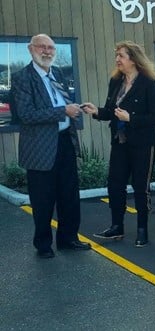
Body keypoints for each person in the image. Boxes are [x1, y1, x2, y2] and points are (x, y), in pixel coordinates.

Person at [10, 34, 91, 258]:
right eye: (42, 47)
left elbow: (61, 102)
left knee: (69, 195)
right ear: (31, 49)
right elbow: (26, 114)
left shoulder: (57, 74)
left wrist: (74, 107)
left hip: (64, 141)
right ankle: (43, 245)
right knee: (43, 199)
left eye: (51, 48)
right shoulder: (22, 78)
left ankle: (68, 239)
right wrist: (63, 111)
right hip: (39, 148)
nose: (47, 51)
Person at [82, 41, 155, 247]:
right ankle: (116, 227)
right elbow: (112, 112)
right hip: (120, 141)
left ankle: (142, 230)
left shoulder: (149, 83)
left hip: (144, 143)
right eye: (116, 55)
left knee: (140, 187)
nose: (117, 59)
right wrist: (97, 111)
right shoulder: (116, 82)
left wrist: (131, 118)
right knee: (115, 184)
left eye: (122, 56)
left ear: (134, 59)